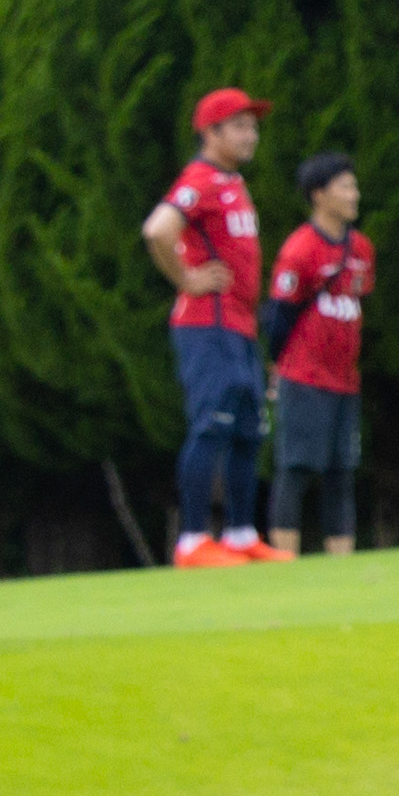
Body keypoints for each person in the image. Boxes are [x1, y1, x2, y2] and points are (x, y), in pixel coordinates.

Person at [141, 87, 276, 565]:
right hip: (207, 324)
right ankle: (193, 539)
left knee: (249, 430)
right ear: (211, 132)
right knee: (211, 426)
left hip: (239, 326)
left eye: (253, 126)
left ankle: (241, 534)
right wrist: (187, 279)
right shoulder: (200, 178)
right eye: (239, 125)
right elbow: (159, 228)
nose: (250, 135)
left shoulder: (233, 182)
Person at [261, 154, 374, 559]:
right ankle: (284, 560)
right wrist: (278, 367)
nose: (354, 194)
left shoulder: (361, 248)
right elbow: (278, 317)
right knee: (296, 467)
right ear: (319, 195)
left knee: (342, 470)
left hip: (345, 379)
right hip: (304, 376)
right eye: (345, 187)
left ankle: (340, 559)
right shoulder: (300, 250)